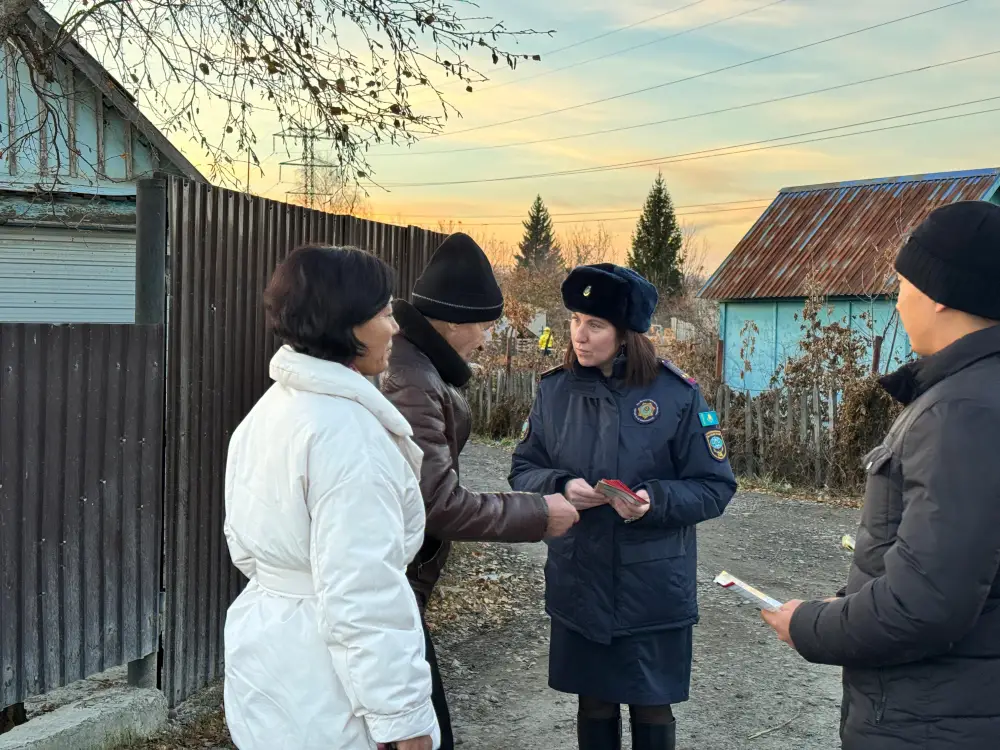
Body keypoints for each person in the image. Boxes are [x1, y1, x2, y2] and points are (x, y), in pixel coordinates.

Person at [760, 200, 1000, 749]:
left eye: (901, 284)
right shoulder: (978, 393)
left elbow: (926, 605)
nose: (896, 301)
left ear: (940, 293)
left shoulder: (961, 411)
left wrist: (808, 625)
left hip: (936, 718)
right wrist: (850, 601)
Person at [509, 263, 738, 750]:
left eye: (594, 325)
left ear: (626, 333)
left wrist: (655, 501)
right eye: (574, 320)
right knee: (593, 703)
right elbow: (523, 468)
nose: (579, 336)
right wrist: (563, 485)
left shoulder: (676, 395)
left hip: (651, 589)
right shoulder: (554, 391)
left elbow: (714, 486)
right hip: (580, 579)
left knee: (651, 703)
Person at [223, 246, 439, 750]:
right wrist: (402, 720)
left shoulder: (270, 411)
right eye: (385, 312)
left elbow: (245, 548)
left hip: (267, 653)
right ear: (348, 324)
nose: (395, 327)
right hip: (328, 681)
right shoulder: (349, 437)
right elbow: (364, 592)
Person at [380, 232, 579, 750]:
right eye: (486, 325)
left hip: (399, 581)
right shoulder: (411, 380)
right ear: (452, 321)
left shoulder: (414, 367)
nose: (488, 340)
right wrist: (539, 514)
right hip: (391, 585)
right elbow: (437, 504)